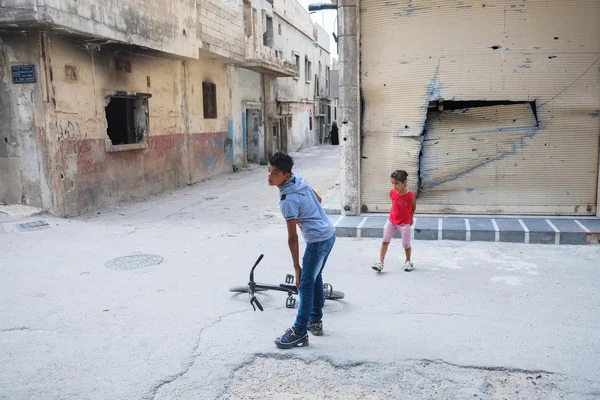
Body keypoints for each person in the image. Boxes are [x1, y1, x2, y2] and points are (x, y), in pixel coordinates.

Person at [267, 152, 336, 349]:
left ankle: (299, 332)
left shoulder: (287, 200)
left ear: (286, 176)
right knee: (315, 278)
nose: (270, 176)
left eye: (275, 173)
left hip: (317, 241)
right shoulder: (299, 180)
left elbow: (292, 238)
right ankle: (314, 321)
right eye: (269, 171)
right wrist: (304, 217)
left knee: (305, 285)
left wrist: (296, 267)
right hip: (329, 235)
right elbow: (319, 199)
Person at [371, 170, 416, 272]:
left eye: (397, 183)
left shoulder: (410, 196)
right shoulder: (392, 193)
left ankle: (408, 261)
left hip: (404, 223)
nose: (395, 186)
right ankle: (380, 262)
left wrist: (411, 218)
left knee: (406, 244)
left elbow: (413, 208)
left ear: (404, 183)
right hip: (392, 221)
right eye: (393, 183)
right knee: (385, 241)